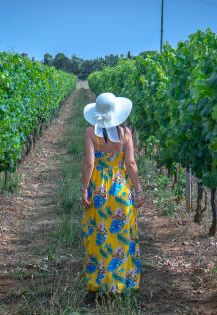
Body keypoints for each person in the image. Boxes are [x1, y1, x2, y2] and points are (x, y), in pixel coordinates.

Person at [80, 92, 143, 298]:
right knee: (122, 237)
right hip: (121, 191)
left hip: (99, 192)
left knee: (99, 237)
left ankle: (98, 285)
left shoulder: (91, 132)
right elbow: (131, 164)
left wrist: (84, 188)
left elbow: (89, 163)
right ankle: (121, 284)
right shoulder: (126, 133)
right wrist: (138, 189)